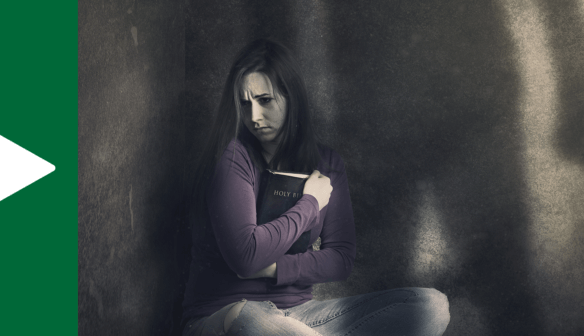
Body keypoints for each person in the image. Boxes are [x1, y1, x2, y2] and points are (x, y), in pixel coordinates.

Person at [181, 39, 450, 336]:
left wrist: (273, 269)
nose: (254, 117)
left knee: (430, 305)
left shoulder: (327, 163)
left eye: (265, 100)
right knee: (253, 319)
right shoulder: (233, 158)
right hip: (227, 317)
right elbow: (247, 257)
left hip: (301, 318)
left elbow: (341, 259)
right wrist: (310, 203)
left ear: (291, 97)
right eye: (245, 104)